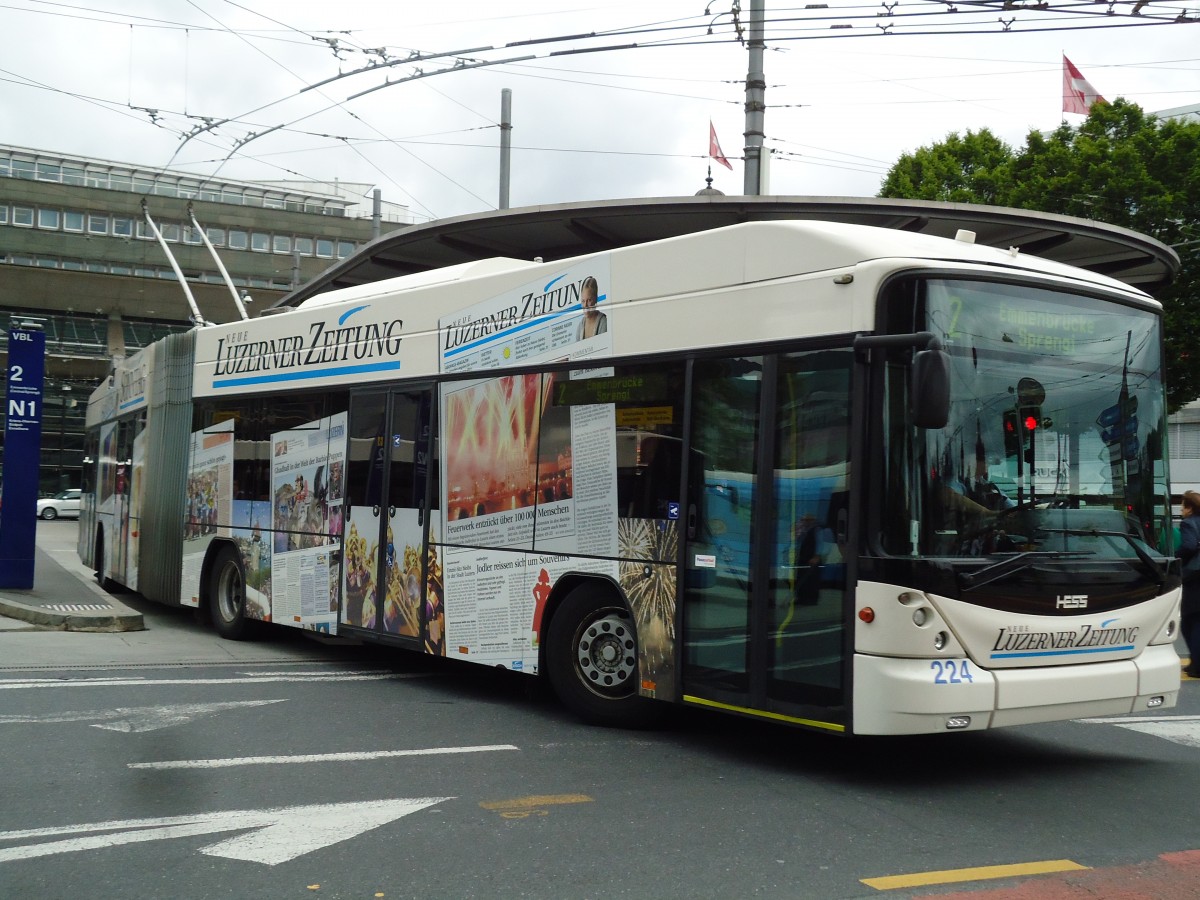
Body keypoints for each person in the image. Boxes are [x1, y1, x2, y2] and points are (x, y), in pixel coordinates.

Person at [1177, 490, 1200, 678]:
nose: (1181, 509)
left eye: (1183, 505)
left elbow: (1189, 546)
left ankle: (1196, 665)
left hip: (1194, 579)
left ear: (1190, 508)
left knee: (1189, 622)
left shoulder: (1188, 523)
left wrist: (1177, 558)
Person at [575, 275, 607, 340]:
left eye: (589, 300)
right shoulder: (580, 326)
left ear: (595, 299)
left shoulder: (603, 322)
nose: (585, 305)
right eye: (583, 301)